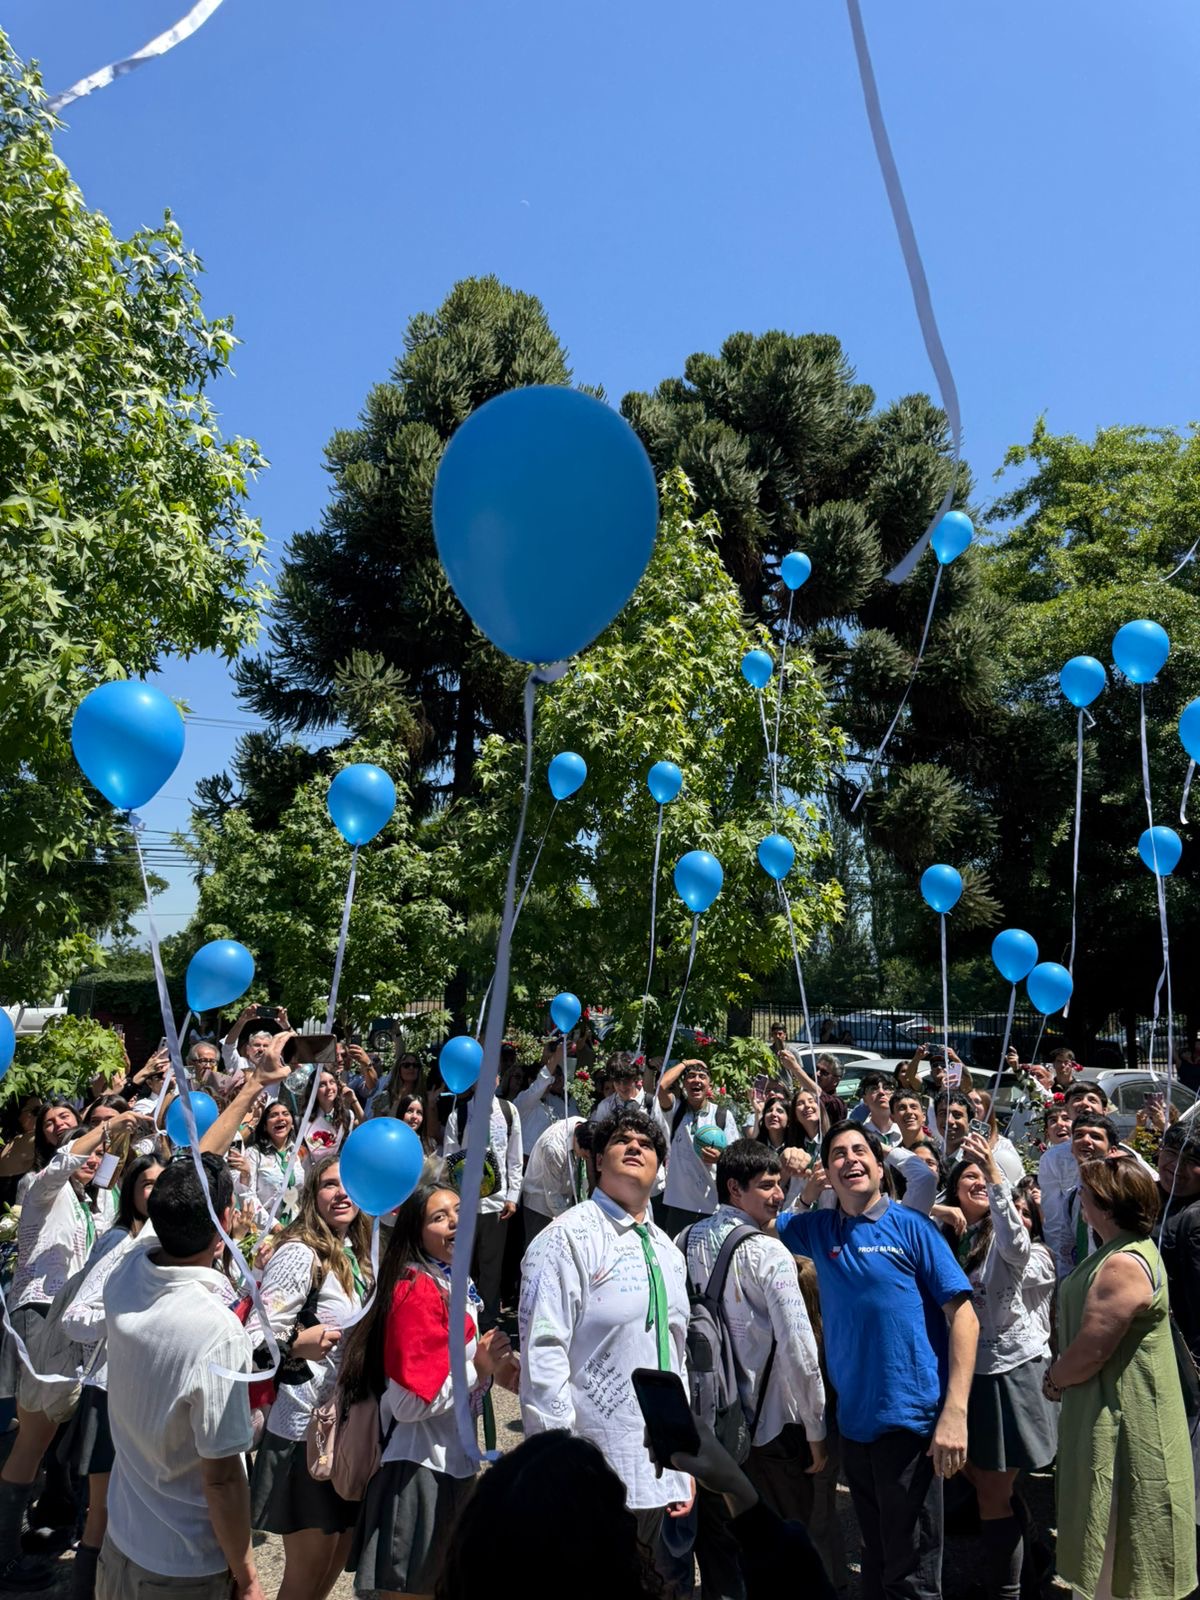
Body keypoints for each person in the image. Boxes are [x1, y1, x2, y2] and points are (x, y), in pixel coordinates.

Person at [778, 1121, 978, 1600]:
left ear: (879, 1162)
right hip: (855, 1425)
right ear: (828, 1171)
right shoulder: (820, 1228)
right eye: (838, 1154)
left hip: (910, 1423)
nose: (851, 1159)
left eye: (860, 1151)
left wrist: (955, 1412)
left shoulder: (912, 1226)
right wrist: (805, 1192)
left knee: (912, 1574)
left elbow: (966, 1319)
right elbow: (775, 1225)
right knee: (878, 1557)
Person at [519, 1107, 695, 1595]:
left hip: (662, 1471)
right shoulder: (566, 1238)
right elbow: (543, 1355)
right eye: (622, 1140)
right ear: (598, 1160)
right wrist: (557, 1465)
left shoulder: (667, 1250)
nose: (636, 1146)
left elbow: (674, 1360)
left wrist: (685, 1462)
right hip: (595, 1472)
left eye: (647, 1142)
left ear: (661, 1168)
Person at [338, 1176, 516, 1598]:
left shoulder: (450, 1282)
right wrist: (478, 1367)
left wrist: (496, 1370)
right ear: (417, 1233)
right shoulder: (416, 1289)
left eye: (459, 1210)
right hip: (418, 1471)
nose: (456, 1222)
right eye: (440, 1217)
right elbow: (407, 1404)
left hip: (451, 1465)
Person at [98, 1151, 262, 1600]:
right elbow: (223, 1476)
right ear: (227, 1220)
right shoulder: (217, 1332)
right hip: (183, 1567)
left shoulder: (126, 1272)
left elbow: (178, 1205)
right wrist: (247, 1576)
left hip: (121, 1541)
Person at [1046, 1156, 1197, 1600]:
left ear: (1106, 1206)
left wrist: (1054, 1379)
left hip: (1123, 1420)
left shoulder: (1123, 1264)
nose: (1081, 1203)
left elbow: (1093, 1350)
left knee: (1118, 1552)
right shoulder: (1124, 1251)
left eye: (1086, 1196)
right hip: (1112, 1408)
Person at [679, 1140, 826, 1595]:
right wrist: (817, 1430)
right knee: (777, 1551)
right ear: (734, 1189)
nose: (779, 1195)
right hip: (770, 1431)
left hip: (709, 1426)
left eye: (779, 1184)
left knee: (721, 1554)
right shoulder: (769, 1253)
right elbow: (800, 1348)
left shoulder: (682, 1240)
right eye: (766, 1186)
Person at [249, 1154, 373, 1600]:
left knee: (334, 1561)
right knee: (307, 1573)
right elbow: (253, 1342)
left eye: (349, 1183)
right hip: (304, 1431)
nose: (341, 1193)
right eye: (328, 1185)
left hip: (347, 1429)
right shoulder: (300, 1253)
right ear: (311, 1194)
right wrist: (297, 1344)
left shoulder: (356, 1252)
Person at [945, 1133, 1057, 1600]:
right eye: (965, 1174)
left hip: (1006, 1373)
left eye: (982, 1175)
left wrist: (994, 1174)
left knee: (992, 1488)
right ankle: (1031, 1557)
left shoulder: (1008, 1240)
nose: (974, 1178)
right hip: (966, 1374)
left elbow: (1016, 1245)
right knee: (977, 1476)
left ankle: (1006, 1591)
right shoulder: (949, 1237)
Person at [57, 1154, 166, 1599]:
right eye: (148, 1184)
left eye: (165, 1184)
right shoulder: (123, 1243)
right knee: (102, 1513)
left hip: (153, 1397)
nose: (157, 1192)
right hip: (109, 1393)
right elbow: (75, 1318)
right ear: (131, 1192)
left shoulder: (185, 1244)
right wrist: (125, 1315)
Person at [440, 1086, 523, 1332]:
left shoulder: (508, 1112)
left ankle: (486, 1321)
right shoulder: (460, 1115)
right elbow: (449, 1158)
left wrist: (513, 1195)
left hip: (496, 1204)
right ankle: (458, 1316)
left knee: (491, 1265)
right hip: (465, 1204)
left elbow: (514, 1158)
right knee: (459, 1261)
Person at [653, 1059, 736, 1234]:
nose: (696, 1080)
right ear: (684, 1083)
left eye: (702, 1076)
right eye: (690, 1077)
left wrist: (719, 1158)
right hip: (678, 1206)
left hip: (711, 1205)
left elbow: (736, 1157)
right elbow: (662, 1086)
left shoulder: (722, 1115)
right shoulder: (675, 1111)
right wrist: (685, 1063)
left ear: (709, 1085)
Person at [1156, 1123, 1200, 1361]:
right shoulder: (1149, 1197)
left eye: (1192, 1160)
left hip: (1184, 1351)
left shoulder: (1194, 1218)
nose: (1176, 1166)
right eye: (1171, 1153)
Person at [521, 1115, 590, 1245]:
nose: (585, 1159)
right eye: (585, 1156)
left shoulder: (583, 1126)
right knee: (540, 1250)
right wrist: (570, 1224)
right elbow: (552, 1195)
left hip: (565, 1200)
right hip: (540, 1205)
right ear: (577, 1141)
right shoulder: (553, 1148)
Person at [514, 1035, 579, 1152]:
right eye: (549, 1080)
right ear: (530, 1081)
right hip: (525, 1163)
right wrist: (556, 1056)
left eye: (552, 1081)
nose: (550, 1084)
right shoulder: (523, 1100)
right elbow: (541, 1081)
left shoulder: (547, 1106)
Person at [240, 1099, 300, 1223]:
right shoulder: (254, 1154)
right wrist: (272, 1225)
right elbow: (248, 1195)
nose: (280, 1118)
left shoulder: (298, 1152)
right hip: (264, 1231)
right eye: (274, 1115)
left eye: (285, 1114)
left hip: (295, 1227)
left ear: (292, 1123)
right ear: (265, 1126)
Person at [301, 1070, 361, 1160]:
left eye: (332, 1082)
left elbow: (367, 1126)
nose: (329, 1088)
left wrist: (354, 1100)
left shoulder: (347, 1116)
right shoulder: (304, 1119)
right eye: (322, 1084)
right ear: (313, 1090)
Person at [847, 1071, 903, 1147]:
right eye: (874, 1089)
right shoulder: (858, 1135)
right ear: (865, 1099)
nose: (881, 1092)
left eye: (887, 1088)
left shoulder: (905, 1132)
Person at [814, 1056, 847, 1126]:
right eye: (816, 1069)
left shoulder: (835, 1103)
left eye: (824, 1072)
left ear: (835, 1081)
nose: (817, 1074)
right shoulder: (808, 1095)